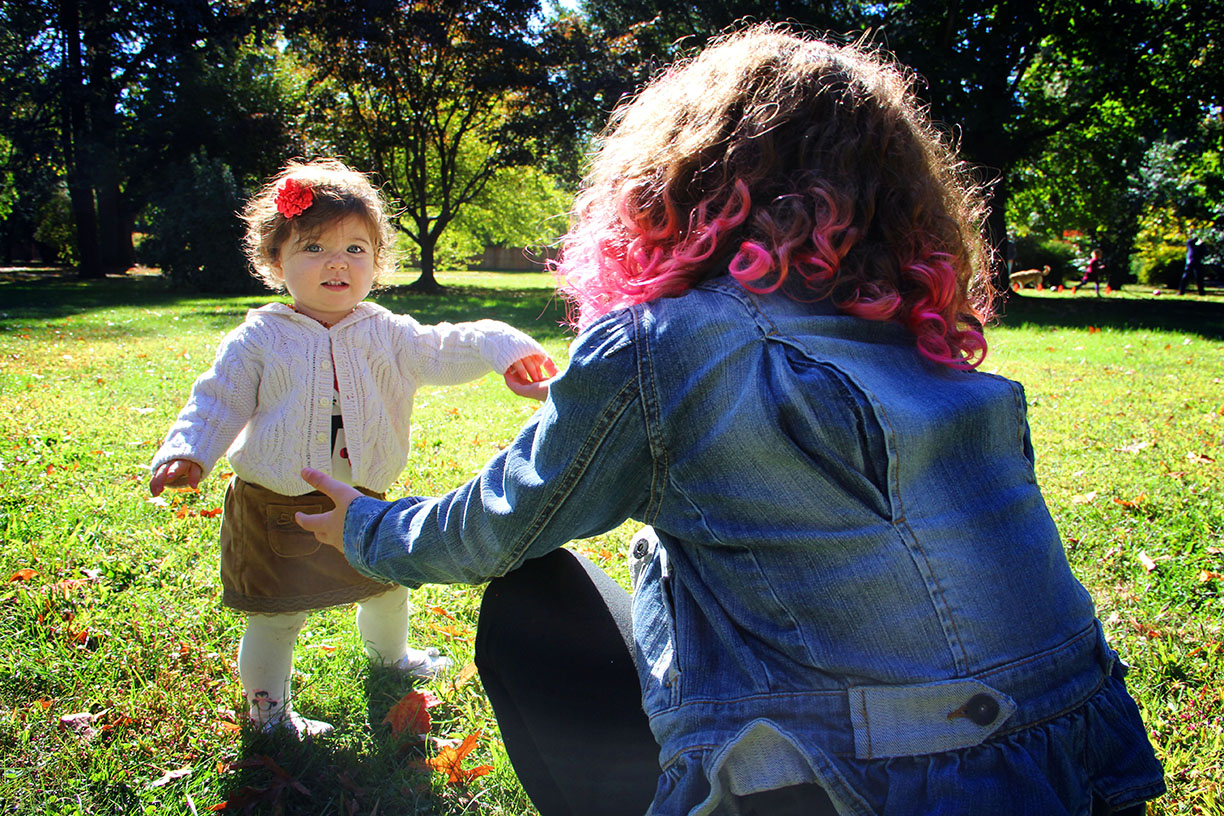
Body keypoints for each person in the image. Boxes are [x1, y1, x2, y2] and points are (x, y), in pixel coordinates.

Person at [298, 27, 1165, 815]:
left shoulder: (668, 341)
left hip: (868, 792)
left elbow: (496, 530)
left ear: (683, 176)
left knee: (533, 600)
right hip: (1075, 771)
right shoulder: (928, 350)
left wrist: (367, 525)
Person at [148, 159, 556, 738]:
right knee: (277, 616)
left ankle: (391, 657)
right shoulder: (260, 338)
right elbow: (219, 401)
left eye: (356, 249)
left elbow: (450, 345)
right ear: (275, 262)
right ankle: (268, 712)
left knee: (387, 587)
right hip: (278, 504)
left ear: (378, 261)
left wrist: (504, 347)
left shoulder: (387, 331)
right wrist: (189, 450)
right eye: (313, 247)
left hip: (365, 499)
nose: (337, 262)